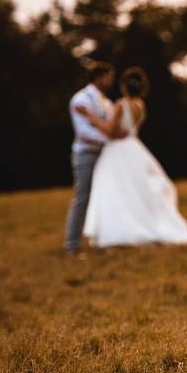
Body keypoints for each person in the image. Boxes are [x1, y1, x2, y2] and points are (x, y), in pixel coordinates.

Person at [76, 66, 187, 248]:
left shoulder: (120, 105)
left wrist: (89, 117)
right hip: (134, 148)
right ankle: (142, 225)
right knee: (137, 190)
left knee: (117, 190)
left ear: (123, 86)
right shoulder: (140, 105)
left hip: (117, 150)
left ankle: (121, 232)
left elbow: (110, 130)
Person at [65, 62, 120, 255]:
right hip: (86, 154)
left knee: (106, 198)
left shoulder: (106, 102)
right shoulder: (81, 99)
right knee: (82, 198)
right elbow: (83, 133)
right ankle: (72, 245)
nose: (112, 80)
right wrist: (109, 140)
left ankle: (103, 240)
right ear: (99, 76)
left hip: (105, 155)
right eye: (109, 76)